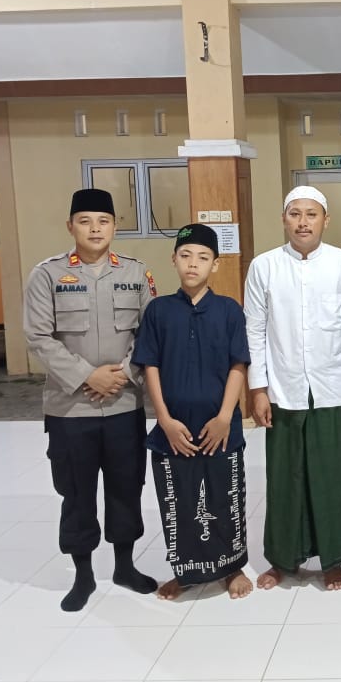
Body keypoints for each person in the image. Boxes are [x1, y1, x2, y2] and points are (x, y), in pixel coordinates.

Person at [23, 188, 159, 612]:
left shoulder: (136, 273)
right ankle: (83, 575)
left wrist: (123, 375)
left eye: (103, 221)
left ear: (115, 226)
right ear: (71, 226)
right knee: (77, 492)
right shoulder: (47, 275)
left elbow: (150, 333)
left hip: (123, 403)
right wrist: (87, 376)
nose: (95, 229)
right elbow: (38, 336)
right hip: (70, 408)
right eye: (85, 221)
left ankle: (124, 566)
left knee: (126, 487)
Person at [244, 186, 341, 591]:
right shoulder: (264, 266)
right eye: (295, 214)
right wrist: (258, 388)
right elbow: (254, 329)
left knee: (333, 476)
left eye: (311, 214)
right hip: (284, 388)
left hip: (333, 385)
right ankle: (283, 560)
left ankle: (335, 559)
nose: (302, 222)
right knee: (286, 478)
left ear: (325, 220)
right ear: (284, 219)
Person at [132, 223, 252, 601]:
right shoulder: (159, 311)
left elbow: (238, 364)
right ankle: (185, 573)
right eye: (185, 256)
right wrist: (164, 420)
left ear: (215, 264)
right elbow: (149, 365)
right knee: (179, 502)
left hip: (221, 426)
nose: (193, 264)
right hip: (174, 430)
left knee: (224, 498)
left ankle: (231, 568)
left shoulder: (229, 310)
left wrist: (224, 417)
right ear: (174, 260)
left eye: (202, 257)